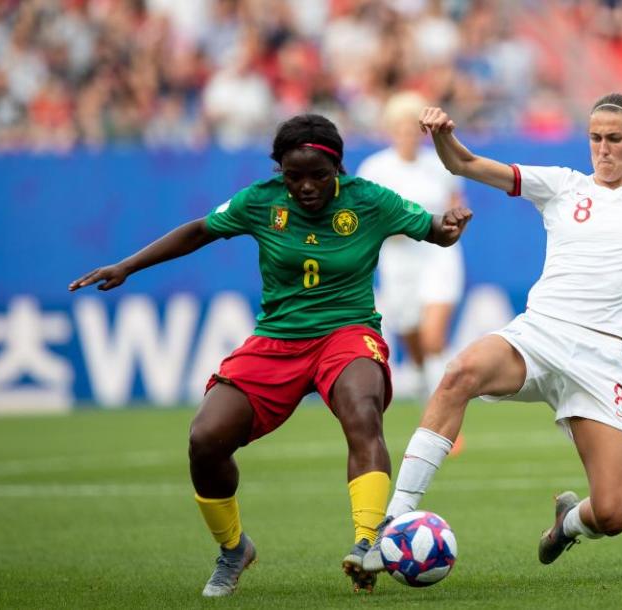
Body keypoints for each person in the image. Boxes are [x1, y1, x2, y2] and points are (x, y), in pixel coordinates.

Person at [363, 12, 622, 573]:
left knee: (612, 514)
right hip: (539, 335)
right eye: (595, 138)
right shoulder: (560, 186)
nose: (603, 149)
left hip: (601, 357)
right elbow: (465, 163)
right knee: (458, 373)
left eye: (615, 139)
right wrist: (445, 136)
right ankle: (391, 525)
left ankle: (567, 521)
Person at [68, 114, 473, 595]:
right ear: (278, 170)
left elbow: (434, 229)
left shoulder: (369, 199)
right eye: (292, 175)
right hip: (276, 339)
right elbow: (199, 231)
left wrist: (449, 227)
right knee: (205, 439)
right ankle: (233, 549)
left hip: (346, 332)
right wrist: (128, 265)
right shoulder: (260, 201)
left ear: (338, 169)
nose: (304, 187)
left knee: (362, 412)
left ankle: (367, 544)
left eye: (317, 176)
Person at [356, 91, 468, 452]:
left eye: (412, 126)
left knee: (434, 339)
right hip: (398, 261)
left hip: (437, 256)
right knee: (414, 341)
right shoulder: (374, 169)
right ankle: (427, 397)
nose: (407, 132)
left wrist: (452, 225)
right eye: (400, 125)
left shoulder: (439, 164)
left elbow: (456, 204)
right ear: (390, 129)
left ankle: (443, 430)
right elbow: (365, 220)